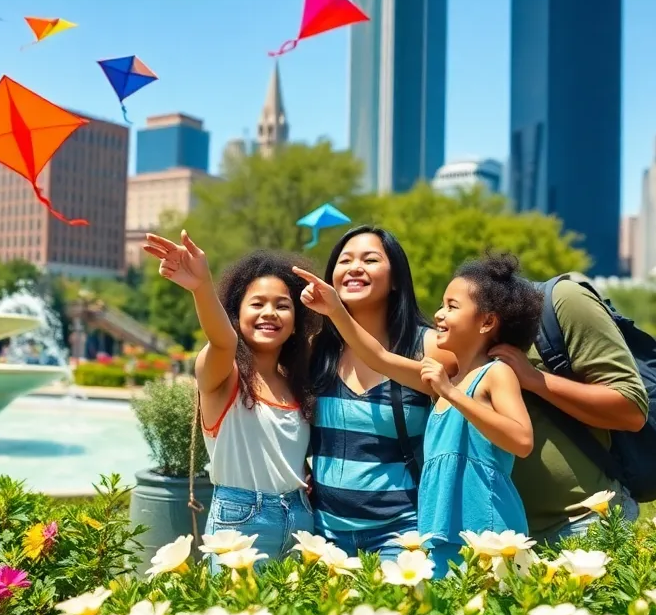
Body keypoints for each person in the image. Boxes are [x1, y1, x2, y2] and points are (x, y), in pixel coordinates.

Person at [297, 253, 539, 576]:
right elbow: (379, 357)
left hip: (488, 533)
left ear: (486, 322)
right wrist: (336, 310)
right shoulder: (444, 380)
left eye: (452, 307)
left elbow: (522, 440)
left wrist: (451, 394)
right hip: (439, 533)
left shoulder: (494, 374)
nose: (439, 314)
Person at [143, 231, 315, 571]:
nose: (270, 313)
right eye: (257, 303)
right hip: (240, 523)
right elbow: (222, 341)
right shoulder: (224, 375)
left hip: (301, 519)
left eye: (283, 305)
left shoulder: (300, 384)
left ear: (297, 322)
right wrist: (202, 286)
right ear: (236, 314)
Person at [302, 227, 458, 560]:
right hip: (324, 534)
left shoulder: (428, 346)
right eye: (345, 260)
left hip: (402, 533)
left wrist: (336, 314)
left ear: (397, 279)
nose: (354, 267)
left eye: (370, 260)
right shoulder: (317, 350)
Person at [486, 273, 649, 545]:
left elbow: (632, 409)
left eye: (451, 306)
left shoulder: (562, 302)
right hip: (504, 537)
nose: (441, 314)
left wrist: (535, 380)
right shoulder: (449, 336)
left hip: (584, 524)